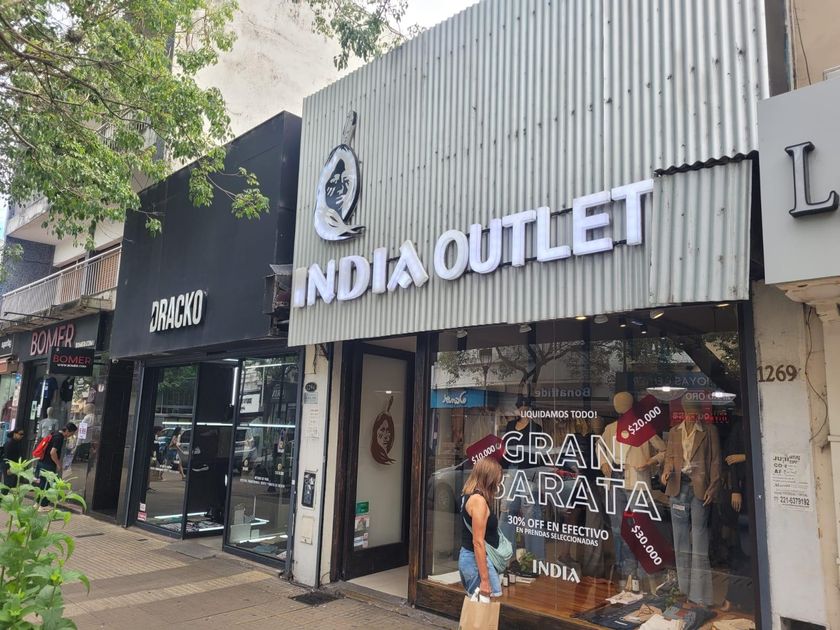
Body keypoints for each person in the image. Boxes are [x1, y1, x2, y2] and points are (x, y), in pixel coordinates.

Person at [459, 456, 504, 599]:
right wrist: (484, 580)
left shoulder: (468, 495)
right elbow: (478, 542)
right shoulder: (478, 501)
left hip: (473, 559)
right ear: (489, 478)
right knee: (482, 606)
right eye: (497, 477)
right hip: (476, 561)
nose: (498, 482)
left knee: (480, 605)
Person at [35, 422, 78, 510]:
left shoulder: (54, 433)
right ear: (67, 431)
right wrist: (58, 464)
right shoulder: (59, 438)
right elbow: (53, 452)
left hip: (42, 461)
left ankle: (37, 503)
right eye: (72, 433)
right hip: (48, 464)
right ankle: (43, 505)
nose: (71, 435)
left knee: (42, 484)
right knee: (47, 485)